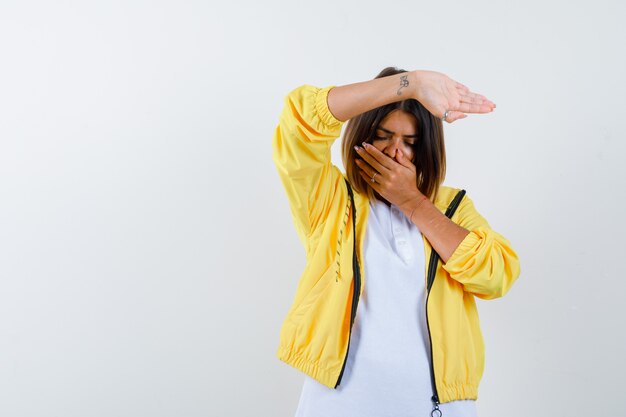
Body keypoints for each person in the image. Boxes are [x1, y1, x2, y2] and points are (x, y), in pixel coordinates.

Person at [271, 66, 521, 417]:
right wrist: (411, 85)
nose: (394, 152)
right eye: (383, 136)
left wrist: (413, 203)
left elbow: (497, 275)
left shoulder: (452, 207)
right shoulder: (332, 200)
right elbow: (298, 122)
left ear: (427, 150)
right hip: (340, 404)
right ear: (362, 136)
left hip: (438, 407)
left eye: (410, 143)